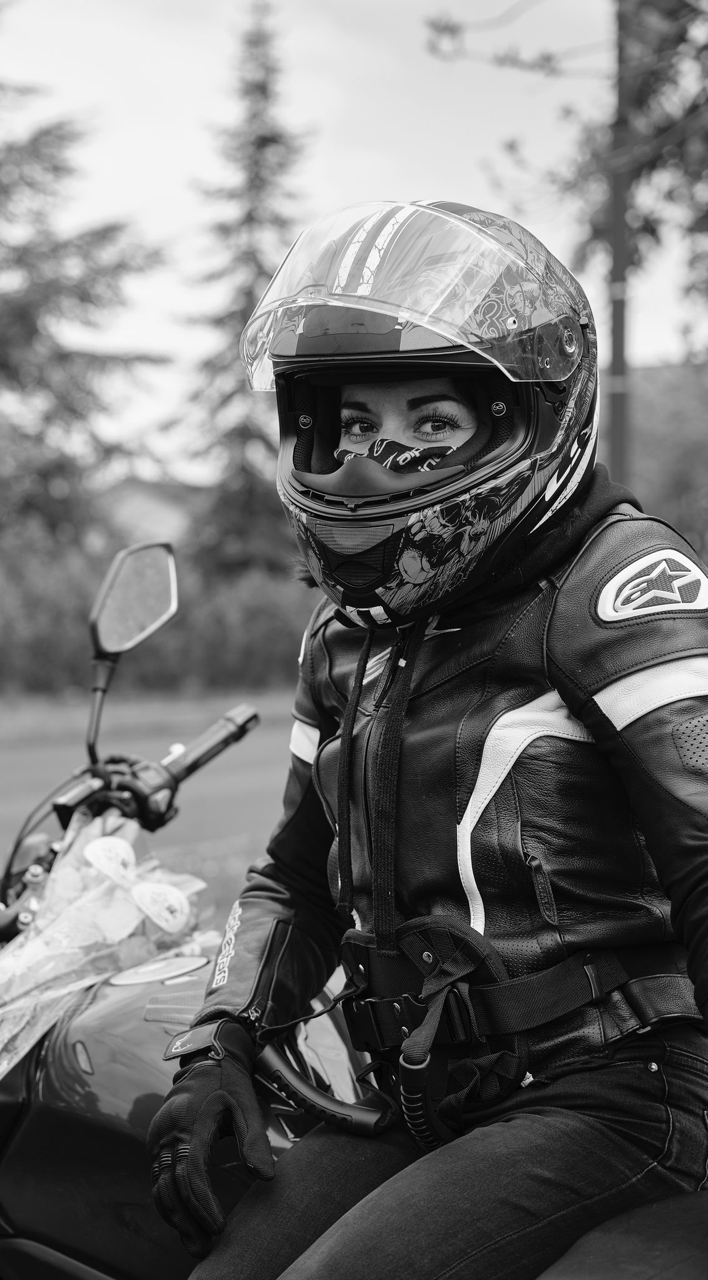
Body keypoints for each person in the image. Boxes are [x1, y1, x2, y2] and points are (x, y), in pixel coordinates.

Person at [148, 201, 708, 1280]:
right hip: (424, 1095)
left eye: (431, 423)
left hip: (617, 1089)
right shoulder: (350, 634)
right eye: (354, 421)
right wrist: (218, 1041)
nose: (376, 457)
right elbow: (294, 874)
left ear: (526, 419)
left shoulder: (618, 585)